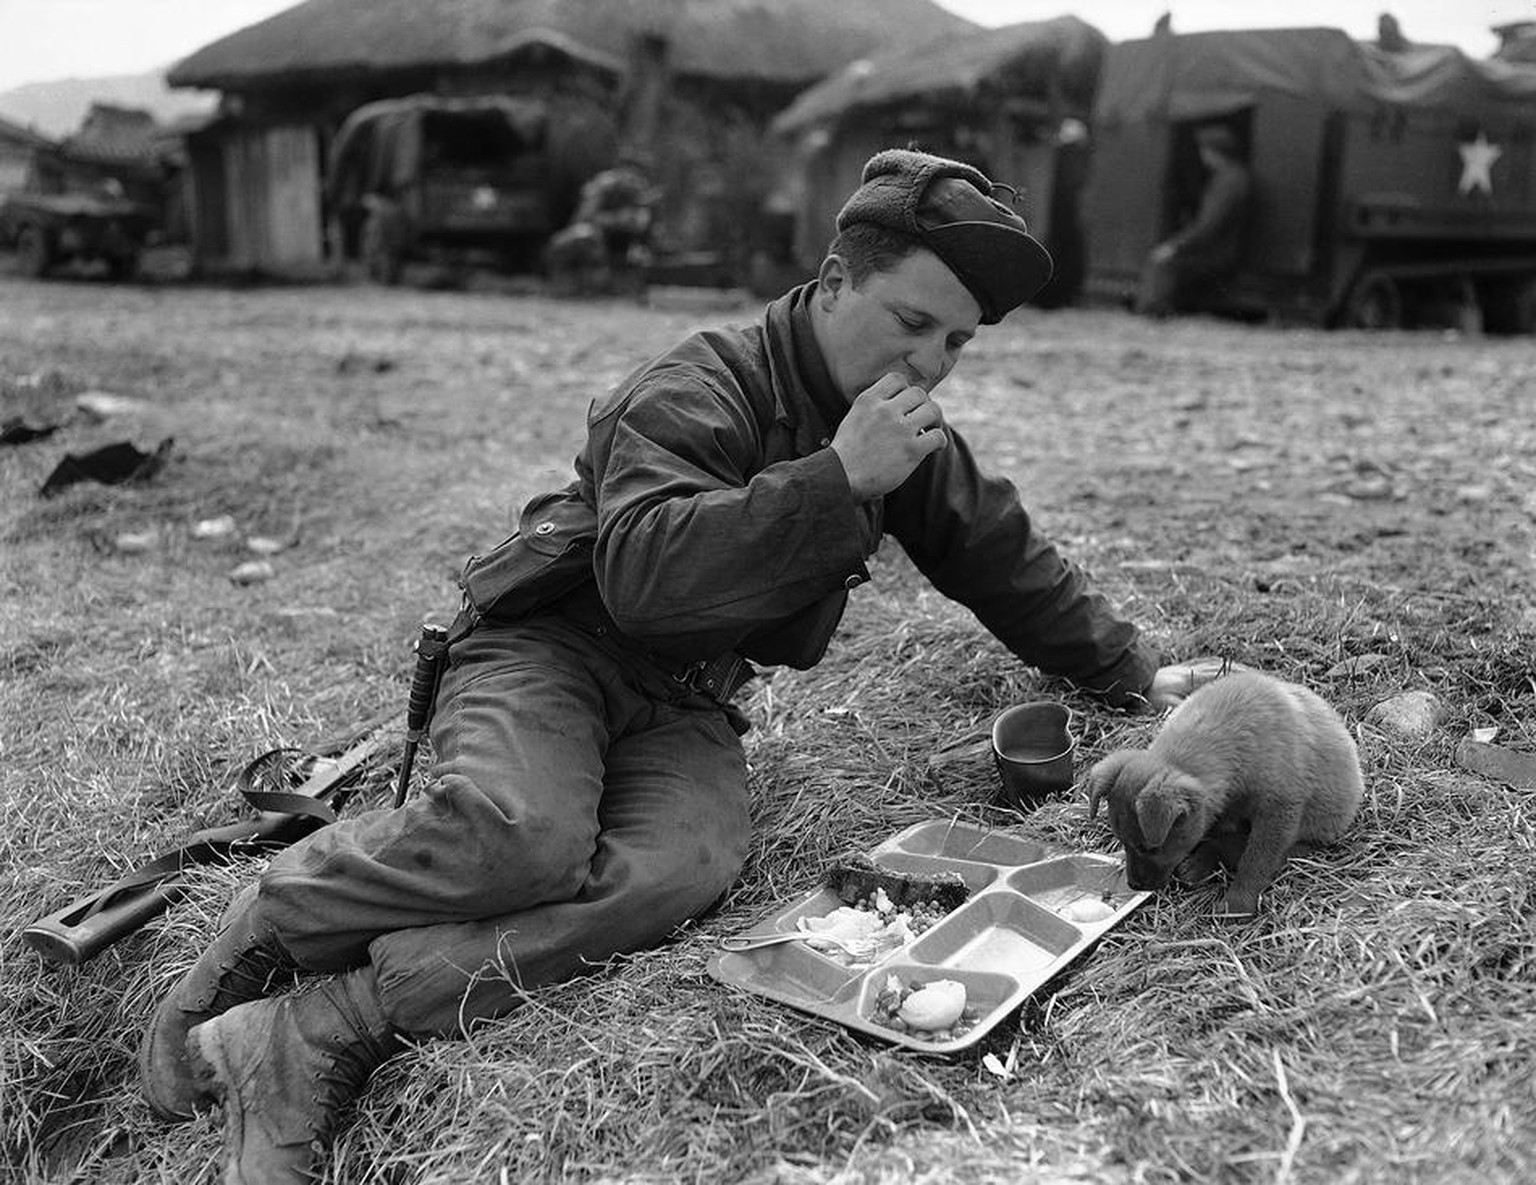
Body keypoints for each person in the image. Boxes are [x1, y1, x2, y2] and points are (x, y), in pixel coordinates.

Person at [139, 148, 1221, 1183]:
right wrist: (832, 481)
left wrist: (1132, 671)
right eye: (911, 324)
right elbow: (644, 576)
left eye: (957, 343)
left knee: (681, 871)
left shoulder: (897, 430)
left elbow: (999, 554)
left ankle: (325, 1028)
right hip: (553, 646)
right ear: (836, 280)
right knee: (520, 836)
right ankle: (274, 923)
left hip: (685, 695)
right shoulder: (702, 380)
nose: (930, 364)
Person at [1136, 123, 1252, 319]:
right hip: (1220, 252)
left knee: (1160, 262)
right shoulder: (1234, 177)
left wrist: (1174, 246)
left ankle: (1153, 312)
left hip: (1217, 255)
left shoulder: (1229, 182)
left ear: (1212, 152)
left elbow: (1208, 225)